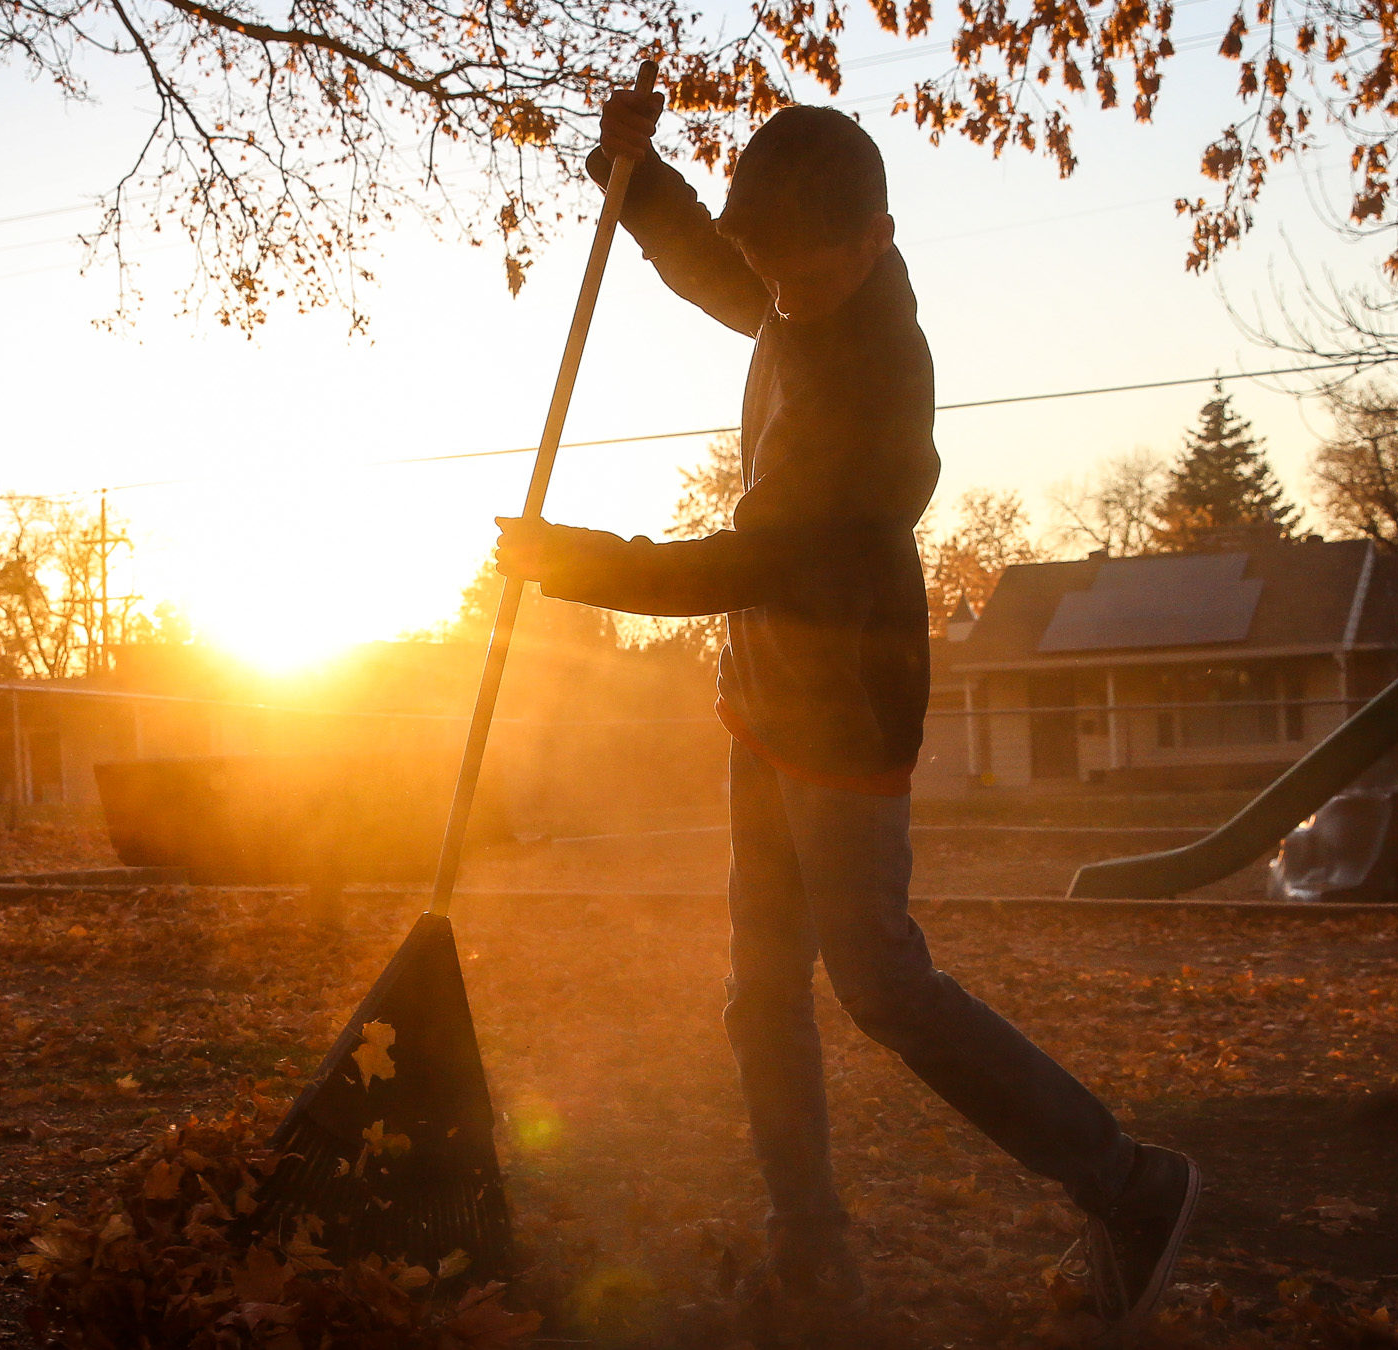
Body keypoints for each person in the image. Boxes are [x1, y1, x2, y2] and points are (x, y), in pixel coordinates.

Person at [491, 89, 1200, 1337]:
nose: (785, 298)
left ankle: (1131, 1184)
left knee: (882, 986)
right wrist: (637, 178)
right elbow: (725, 270)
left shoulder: (870, 394)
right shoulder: (790, 280)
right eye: (775, 271)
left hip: (845, 718)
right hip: (765, 699)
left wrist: (580, 562)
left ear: (877, 239)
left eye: (808, 279)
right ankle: (808, 1253)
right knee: (758, 996)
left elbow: (745, 563)